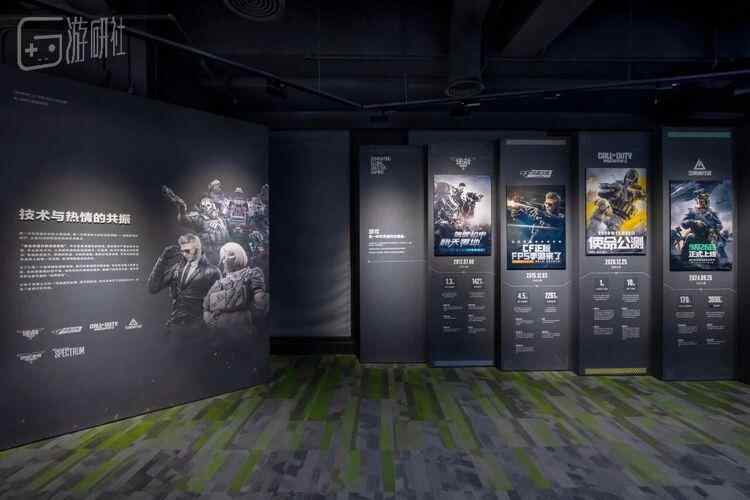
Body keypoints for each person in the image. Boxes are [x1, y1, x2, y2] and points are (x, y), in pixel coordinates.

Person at [148, 233, 221, 329]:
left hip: (199, 328)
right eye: (182, 251)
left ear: (198, 249)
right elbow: (153, 288)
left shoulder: (212, 271)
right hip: (176, 325)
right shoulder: (177, 268)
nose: (184, 254)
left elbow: (218, 305)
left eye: (187, 251)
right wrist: (163, 259)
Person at [203, 242, 267, 333]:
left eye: (225, 257)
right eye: (222, 259)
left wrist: (249, 318)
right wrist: (213, 323)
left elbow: (260, 300)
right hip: (222, 333)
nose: (223, 262)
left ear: (236, 256)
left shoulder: (252, 273)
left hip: (246, 331)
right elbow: (206, 306)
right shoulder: (219, 283)